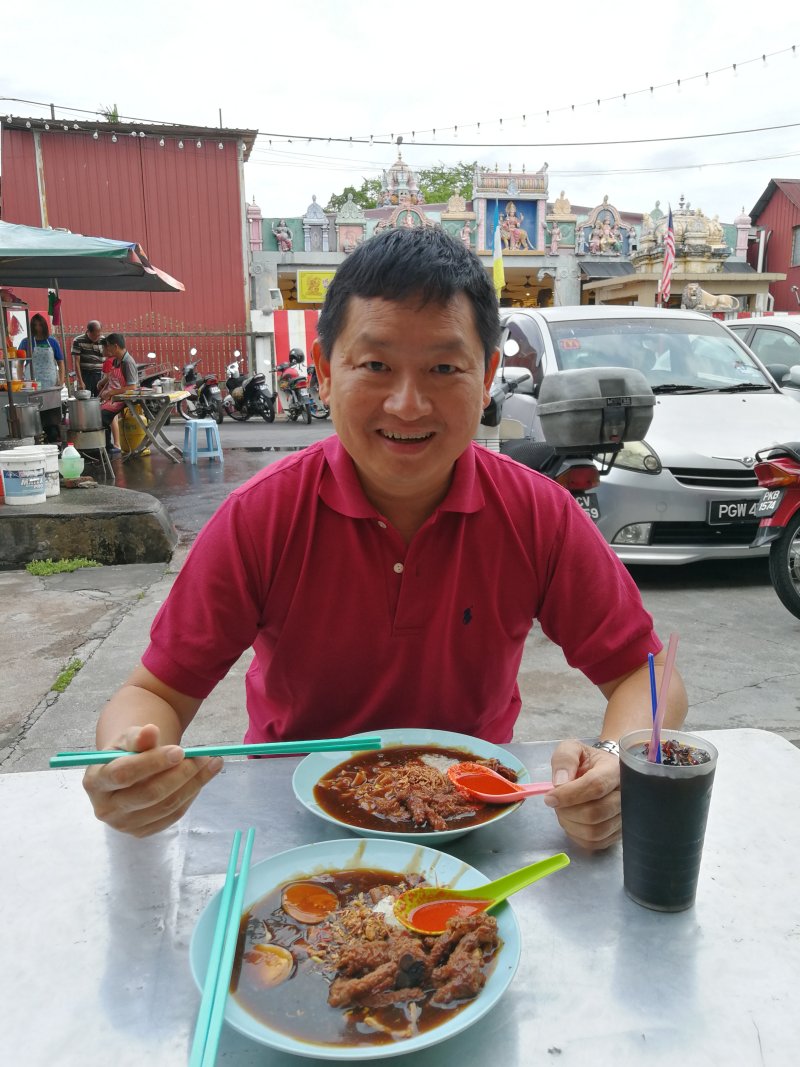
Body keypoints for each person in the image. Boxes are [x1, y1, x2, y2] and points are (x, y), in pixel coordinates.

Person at [83, 227, 687, 846]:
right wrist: (130, 761)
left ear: (486, 381)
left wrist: (618, 756)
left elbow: (648, 673)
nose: (407, 404)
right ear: (322, 373)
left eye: (444, 368)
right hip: (291, 829)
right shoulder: (260, 516)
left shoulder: (539, 515)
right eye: (375, 365)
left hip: (473, 825)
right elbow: (154, 693)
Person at [18, 313, 65, 443]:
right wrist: (20, 381)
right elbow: (20, 363)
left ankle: (52, 437)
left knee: (50, 414)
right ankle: (35, 438)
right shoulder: (26, 342)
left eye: (40, 325)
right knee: (33, 413)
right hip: (32, 383)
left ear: (44, 326)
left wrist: (61, 381)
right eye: (35, 325)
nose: (37, 327)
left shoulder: (52, 341)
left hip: (50, 383)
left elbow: (60, 362)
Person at [98, 333, 137, 450]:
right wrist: (103, 387)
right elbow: (111, 378)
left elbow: (132, 387)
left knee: (101, 417)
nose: (107, 348)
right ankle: (103, 447)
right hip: (117, 396)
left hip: (126, 398)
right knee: (95, 414)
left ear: (115, 346)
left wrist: (111, 393)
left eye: (108, 346)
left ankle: (107, 448)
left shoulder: (128, 362)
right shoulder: (116, 361)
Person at [71, 320, 105, 395]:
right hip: (85, 376)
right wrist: (80, 381)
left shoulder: (103, 340)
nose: (97, 337)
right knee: (86, 400)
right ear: (88, 331)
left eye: (99, 335)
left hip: (100, 375)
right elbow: (76, 362)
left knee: (100, 399)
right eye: (94, 336)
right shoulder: (78, 341)